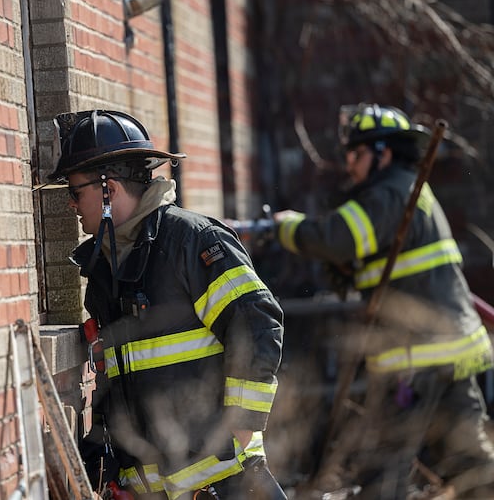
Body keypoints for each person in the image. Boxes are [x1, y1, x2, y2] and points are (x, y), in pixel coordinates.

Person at [46, 109, 287, 500]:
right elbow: (125, 378)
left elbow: (257, 322)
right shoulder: (105, 268)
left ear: (108, 190)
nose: (72, 206)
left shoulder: (191, 242)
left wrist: (242, 423)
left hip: (226, 484)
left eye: (76, 192)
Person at [274, 103, 494, 499]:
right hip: (455, 350)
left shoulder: (388, 193)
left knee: (384, 470)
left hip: (416, 359)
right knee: (469, 461)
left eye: (355, 154)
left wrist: (288, 229)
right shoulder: (410, 189)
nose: (349, 165)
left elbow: (334, 237)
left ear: (383, 153)